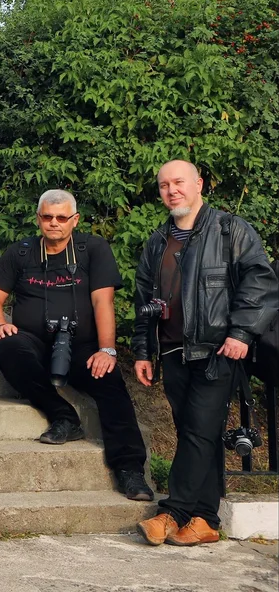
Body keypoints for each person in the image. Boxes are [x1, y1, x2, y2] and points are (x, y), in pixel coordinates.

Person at [134, 161, 278, 547]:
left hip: (218, 350)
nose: (171, 190)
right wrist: (144, 351)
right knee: (197, 433)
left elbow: (260, 282)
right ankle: (206, 519)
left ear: (198, 184)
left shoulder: (230, 229)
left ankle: (173, 512)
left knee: (198, 430)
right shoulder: (158, 240)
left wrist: (241, 332)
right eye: (164, 185)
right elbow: (144, 299)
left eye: (178, 182)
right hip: (172, 351)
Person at [0, 189, 153, 501]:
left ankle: (130, 470)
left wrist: (107, 350)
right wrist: (0, 324)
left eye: (61, 218)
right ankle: (64, 416)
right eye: (47, 217)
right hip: (34, 344)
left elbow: (103, 301)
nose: (54, 223)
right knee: (8, 346)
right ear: (38, 219)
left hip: (82, 346)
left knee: (111, 382)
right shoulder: (21, 252)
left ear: (75, 220)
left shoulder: (93, 249)